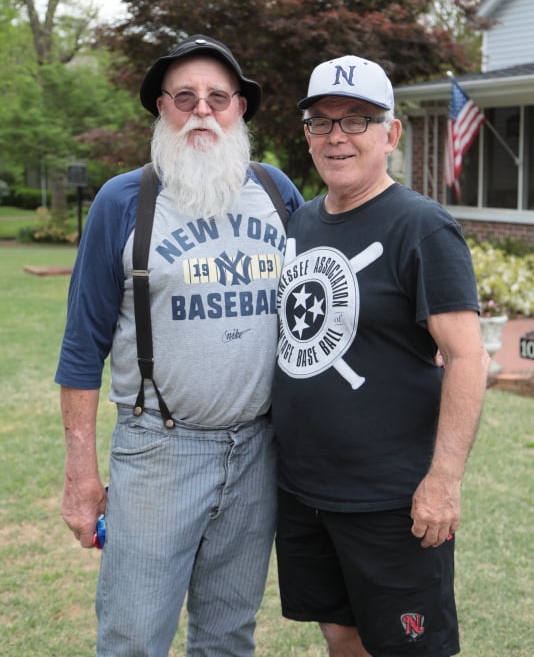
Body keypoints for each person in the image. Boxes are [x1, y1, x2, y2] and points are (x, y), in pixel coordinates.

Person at [55, 34, 303, 657]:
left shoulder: (278, 194)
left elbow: (329, 292)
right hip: (157, 452)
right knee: (133, 638)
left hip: (257, 452)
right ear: (160, 109)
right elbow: (82, 348)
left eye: (218, 98)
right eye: (184, 97)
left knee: (227, 637)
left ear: (240, 109)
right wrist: (81, 474)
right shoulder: (124, 201)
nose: (201, 111)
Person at [271, 54, 489, 657]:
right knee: (341, 633)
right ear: (308, 135)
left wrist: (443, 482)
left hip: (392, 499)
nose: (337, 136)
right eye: (322, 121)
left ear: (390, 134)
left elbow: (468, 358)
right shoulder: (301, 225)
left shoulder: (421, 227)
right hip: (304, 490)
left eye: (358, 119)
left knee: (408, 649)